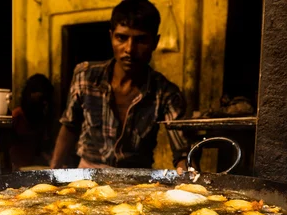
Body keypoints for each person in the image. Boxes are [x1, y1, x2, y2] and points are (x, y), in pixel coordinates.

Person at [50, 0, 190, 170]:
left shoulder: (166, 93)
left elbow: (181, 152)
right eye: (121, 38)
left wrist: (190, 182)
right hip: (87, 177)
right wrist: (53, 173)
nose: (129, 49)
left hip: (136, 182)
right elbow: (69, 126)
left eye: (141, 40)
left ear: (155, 42)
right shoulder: (85, 75)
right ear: (111, 37)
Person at [9, 74, 54, 170]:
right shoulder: (17, 116)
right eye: (41, 98)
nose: (44, 102)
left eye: (46, 99)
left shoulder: (42, 118)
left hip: (33, 168)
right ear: (30, 95)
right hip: (16, 169)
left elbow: (42, 149)